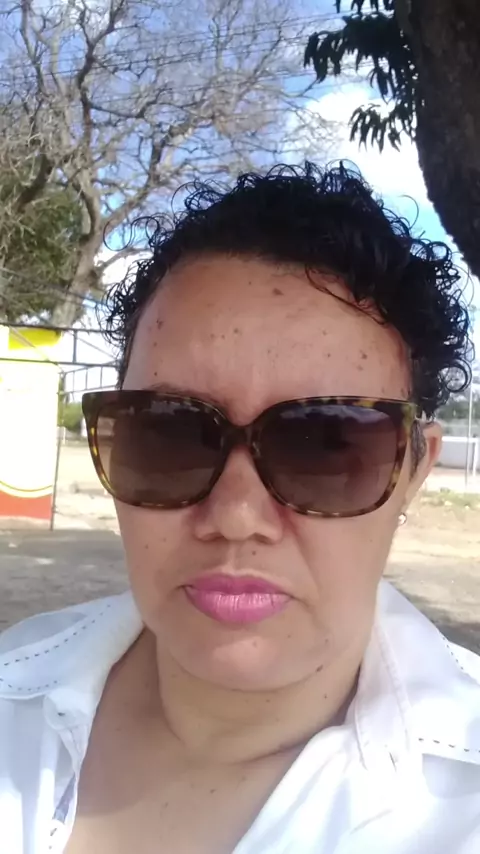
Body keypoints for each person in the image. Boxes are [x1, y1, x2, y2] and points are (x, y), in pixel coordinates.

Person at [1, 163, 479, 854]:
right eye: (169, 432)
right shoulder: (13, 692)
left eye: (326, 444)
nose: (236, 516)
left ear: (413, 472)